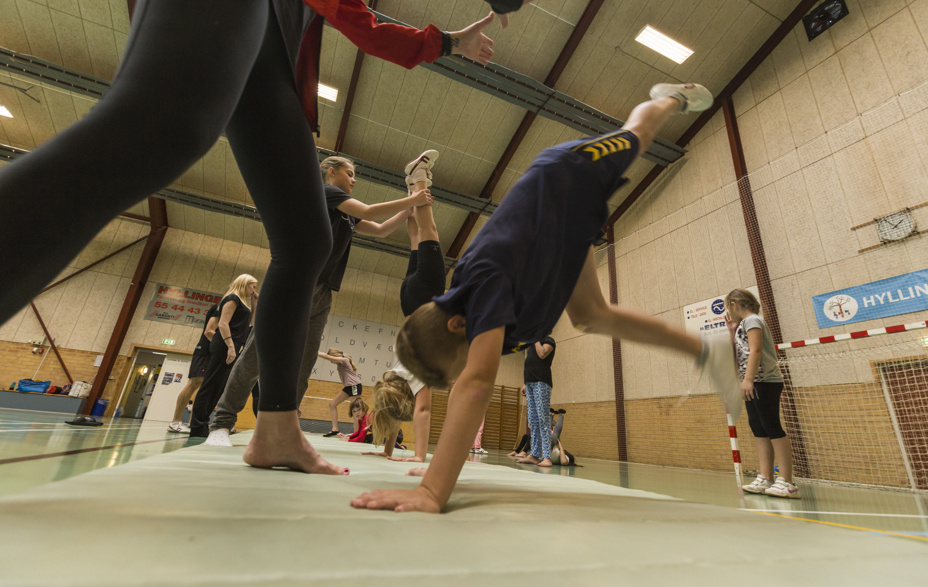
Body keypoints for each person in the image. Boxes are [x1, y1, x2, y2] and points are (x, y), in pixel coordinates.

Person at [0, 0, 502, 477]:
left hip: (273, 50)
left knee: (306, 241)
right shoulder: (340, 195)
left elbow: (356, 18)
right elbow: (364, 26)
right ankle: (231, 420)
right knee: (153, 133)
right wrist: (447, 44)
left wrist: (449, 44)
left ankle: (277, 429)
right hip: (247, 19)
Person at [351, 82, 743, 514]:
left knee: (639, 133)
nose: (470, 366)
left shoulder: (481, 285)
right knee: (591, 316)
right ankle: (706, 350)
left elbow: (477, 384)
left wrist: (431, 488)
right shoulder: (477, 303)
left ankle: (671, 98)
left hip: (567, 175)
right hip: (564, 233)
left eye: (459, 362)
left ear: (456, 325)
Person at [205, 155, 426, 447]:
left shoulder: (346, 212)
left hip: (323, 293)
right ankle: (221, 424)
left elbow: (380, 229)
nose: (354, 179)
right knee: (258, 355)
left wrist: (410, 208)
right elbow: (371, 210)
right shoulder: (326, 193)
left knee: (304, 362)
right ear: (331, 172)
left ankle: (284, 426)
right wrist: (412, 198)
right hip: (297, 283)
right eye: (349, 173)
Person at [365, 149, 449, 463]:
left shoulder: (417, 372)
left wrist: (419, 457)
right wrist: (387, 451)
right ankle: (410, 186)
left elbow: (423, 411)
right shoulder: (393, 375)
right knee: (415, 236)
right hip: (409, 300)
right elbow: (393, 410)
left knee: (429, 232)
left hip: (425, 297)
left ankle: (418, 176)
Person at [725, 289, 798, 499]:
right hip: (752, 382)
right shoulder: (742, 325)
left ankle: (788, 482)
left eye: (729, 307)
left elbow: (756, 350)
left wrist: (748, 379)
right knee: (758, 427)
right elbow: (741, 352)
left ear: (735, 304)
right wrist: (732, 331)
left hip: (763, 382)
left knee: (772, 426)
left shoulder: (753, 320)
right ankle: (766, 477)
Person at [188, 275, 257, 438]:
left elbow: (249, 324)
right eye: (252, 287)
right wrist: (231, 347)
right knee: (210, 384)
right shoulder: (232, 298)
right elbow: (223, 324)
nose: (254, 290)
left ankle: (204, 422)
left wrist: (254, 304)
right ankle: (197, 426)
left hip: (233, 346)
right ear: (244, 284)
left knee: (219, 386)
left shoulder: (243, 303)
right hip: (224, 345)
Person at [167, 302, 219, 433]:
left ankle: (193, 423)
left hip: (213, 352)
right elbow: (209, 331)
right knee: (195, 383)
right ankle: (175, 421)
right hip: (205, 350)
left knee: (204, 387)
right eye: (251, 287)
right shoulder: (221, 307)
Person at [517, 335, 556, 466]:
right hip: (530, 383)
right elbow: (530, 364)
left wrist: (535, 339)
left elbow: (542, 354)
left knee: (543, 420)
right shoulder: (532, 345)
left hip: (541, 383)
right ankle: (534, 455)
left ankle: (547, 457)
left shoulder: (549, 341)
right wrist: (524, 383)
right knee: (533, 421)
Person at [319, 348, 363, 436]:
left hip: (354, 386)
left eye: (332, 359)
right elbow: (328, 357)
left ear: (335, 356)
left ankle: (357, 433)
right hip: (348, 387)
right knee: (332, 404)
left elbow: (326, 356)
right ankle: (335, 429)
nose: (331, 362)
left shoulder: (344, 360)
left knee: (355, 410)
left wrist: (314, 350)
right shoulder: (340, 363)